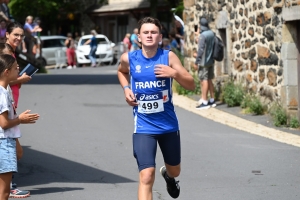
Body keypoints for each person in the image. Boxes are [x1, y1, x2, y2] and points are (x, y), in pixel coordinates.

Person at [117, 17, 195, 200]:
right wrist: (126, 88)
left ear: (160, 37)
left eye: (153, 32)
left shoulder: (168, 57)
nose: (149, 35)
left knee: (175, 170)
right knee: (146, 175)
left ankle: (169, 177)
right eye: (146, 32)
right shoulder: (129, 58)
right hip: (144, 126)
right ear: (139, 37)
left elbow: (191, 85)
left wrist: (174, 73)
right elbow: (121, 72)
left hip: (168, 125)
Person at [0, 54, 39, 200]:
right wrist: (20, 119)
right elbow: (3, 123)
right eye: (15, 67)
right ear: (6, 72)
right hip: (4, 143)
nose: (18, 69)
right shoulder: (2, 94)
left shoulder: (3, 91)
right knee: (4, 192)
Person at [5, 22, 32, 198]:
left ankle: (9, 185)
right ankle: (10, 186)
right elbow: (3, 80)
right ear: (7, 34)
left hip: (10, 103)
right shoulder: (6, 53)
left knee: (11, 148)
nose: (19, 38)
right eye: (16, 34)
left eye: (21, 35)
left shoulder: (11, 52)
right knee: (14, 149)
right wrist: (20, 80)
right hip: (5, 104)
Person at [193, 17, 216, 110]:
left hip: (204, 62)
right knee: (209, 79)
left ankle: (205, 101)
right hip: (211, 60)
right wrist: (197, 35)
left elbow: (201, 49)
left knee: (204, 80)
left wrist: (196, 61)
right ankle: (212, 99)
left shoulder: (203, 35)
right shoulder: (211, 33)